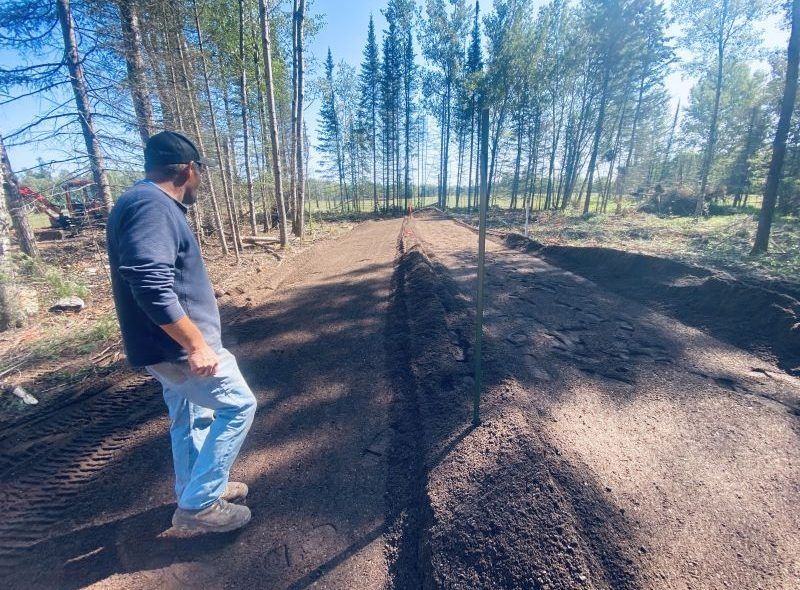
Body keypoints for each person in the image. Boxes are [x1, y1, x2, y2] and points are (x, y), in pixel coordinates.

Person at [106, 131, 256, 533]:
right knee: (239, 405)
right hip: (179, 349)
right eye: (201, 173)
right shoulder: (151, 205)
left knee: (191, 416)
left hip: (166, 347)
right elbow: (149, 281)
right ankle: (199, 507)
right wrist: (195, 344)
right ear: (189, 170)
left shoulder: (142, 202)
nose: (200, 182)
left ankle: (197, 488)